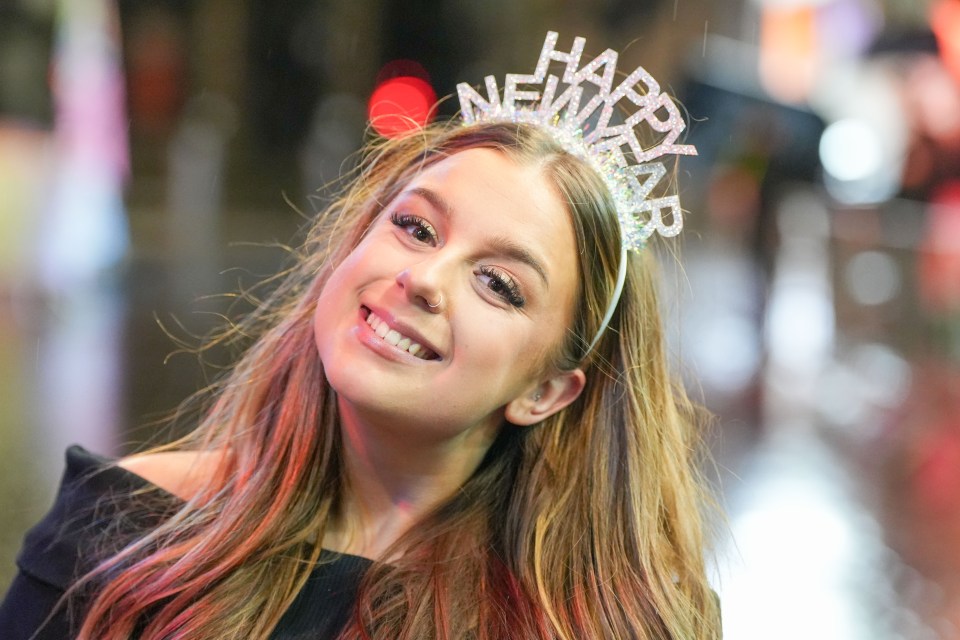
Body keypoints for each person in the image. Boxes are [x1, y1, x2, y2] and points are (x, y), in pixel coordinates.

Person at [0, 32, 721, 639]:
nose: (425, 279)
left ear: (546, 390)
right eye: (415, 228)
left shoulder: (620, 619)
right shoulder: (126, 525)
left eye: (498, 284)